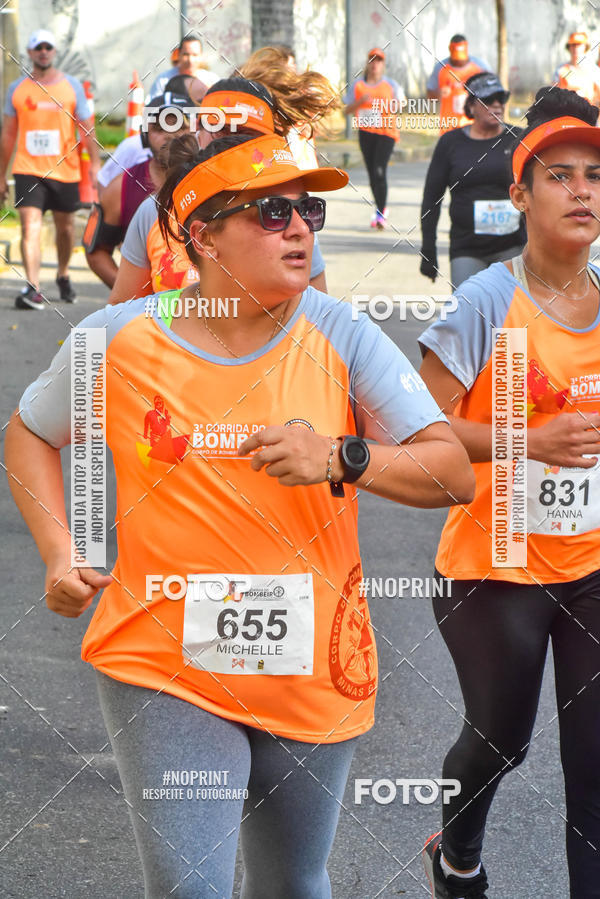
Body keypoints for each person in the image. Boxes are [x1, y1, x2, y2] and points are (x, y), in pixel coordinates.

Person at [5, 129, 475, 898]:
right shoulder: (116, 339)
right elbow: (27, 431)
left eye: (308, 210)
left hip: (310, 657)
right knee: (192, 886)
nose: (298, 227)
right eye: (270, 211)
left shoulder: (340, 331)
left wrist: (340, 455)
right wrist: (59, 550)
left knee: (292, 881)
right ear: (202, 233)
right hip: (164, 662)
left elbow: (450, 469)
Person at [418, 86, 600, 899]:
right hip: (495, 568)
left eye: (595, 176)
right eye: (559, 175)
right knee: (500, 740)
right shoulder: (486, 301)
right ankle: (457, 855)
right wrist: (531, 440)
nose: (583, 190)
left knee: (596, 760)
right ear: (520, 196)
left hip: (592, 561)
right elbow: (416, 433)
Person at [108, 77, 332, 302]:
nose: (233, 148)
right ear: (198, 130)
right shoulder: (155, 212)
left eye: (248, 137)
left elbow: (320, 319)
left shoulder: (292, 219)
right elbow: (120, 316)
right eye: (222, 132)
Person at [0, 28, 101, 309]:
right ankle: (33, 287)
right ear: (30, 53)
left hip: (64, 170)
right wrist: (0, 174)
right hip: (27, 169)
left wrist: (94, 164)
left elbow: (86, 127)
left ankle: (63, 273)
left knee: (65, 229)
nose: (43, 51)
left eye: (48, 47)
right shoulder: (17, 89)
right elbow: (8, 134)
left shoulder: (72, 87)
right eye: (38, 47)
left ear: (54, 52)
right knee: (29, 226)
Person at [420, 72, 526, 288]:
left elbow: (540, 192)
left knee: (512, 316)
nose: (497, 105)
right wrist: (428, 250)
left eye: (501, 99)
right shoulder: (450, 143)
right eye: (488, 100)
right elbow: (432, 198)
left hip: (513, 247)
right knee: (466, 314)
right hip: (466, 247)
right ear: (471, 105)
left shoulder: (519, 140)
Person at [84, 92, 190, 288]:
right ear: (144, 136)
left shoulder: (216, 181)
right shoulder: (121, 187)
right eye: (159, 128)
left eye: (180, 126)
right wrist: (133, 297)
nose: (171, 134)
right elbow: (95, 251)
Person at [343, 48, 405, 229]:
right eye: (372, 60)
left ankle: (381, 211)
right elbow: (346, 111)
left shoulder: (390, 84)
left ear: (383, 65)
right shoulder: (358, 85)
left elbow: (402, 103)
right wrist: (360, 101)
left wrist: (389, 105)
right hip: (366, 133)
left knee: (379, 170)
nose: (375, 64)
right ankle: (380, 208)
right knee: (372, 174)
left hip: (386, 133)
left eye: (379, 61)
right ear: (368, 63)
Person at [427, 35, 489, 134]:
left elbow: (492, 92)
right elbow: (430, 95)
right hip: (449, 127)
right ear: (450, 51)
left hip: (474, 125)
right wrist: (439, 94)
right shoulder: (440, 68)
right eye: (456, 58)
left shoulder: (480, 67)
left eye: (462, 58)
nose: (459, 61)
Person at [148, 33, 218, 99]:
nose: (190, 60)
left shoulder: (212, 80)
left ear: (201, 56)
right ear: (179, 55)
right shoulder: (163, 80)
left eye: (195, 55)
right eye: (186, 54)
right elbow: (152, 107)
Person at [555, 30, 600, 106]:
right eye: (573, 45)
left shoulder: (594, 70)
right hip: (567, 113)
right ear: (569, 47)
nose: (575, 48)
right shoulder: (561, 70)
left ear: (585, 47)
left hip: (588, 114)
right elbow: (553, 95)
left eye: (578, 44)